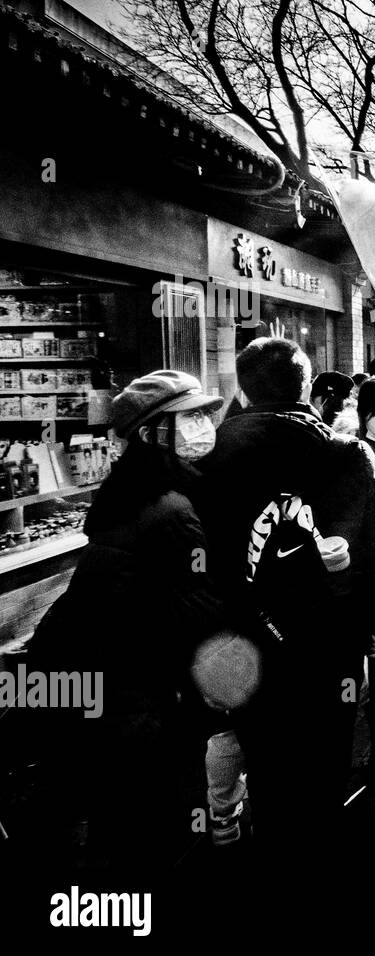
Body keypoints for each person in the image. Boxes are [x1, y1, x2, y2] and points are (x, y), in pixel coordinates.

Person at [196, 338, 375, 859]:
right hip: (329, 641)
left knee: (265, 756)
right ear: (308, 388)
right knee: (325, 757)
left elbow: (193, 556)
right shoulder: (346, 454)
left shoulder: (209, 459)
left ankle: (274, 843)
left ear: (243, 392)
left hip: (242, 642)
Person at [25, 370, 226, 868]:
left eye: (205, 414)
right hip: (143, 702)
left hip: (106, 696)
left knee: (122, 825)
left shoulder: (130, 494)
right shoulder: (174, 510)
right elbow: (198, 618)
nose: (204, 426)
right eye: (190, 417)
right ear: (152, 433)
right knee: (157, 831)